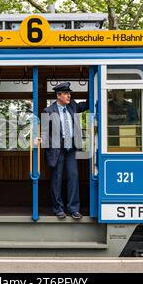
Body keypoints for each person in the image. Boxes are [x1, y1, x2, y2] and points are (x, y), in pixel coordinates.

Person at [38, 82, 89, 219]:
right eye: (66, 93)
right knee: (57, 179)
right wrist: (41, 141)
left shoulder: (73, 106)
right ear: (58, 95)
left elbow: (87, 104)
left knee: (74, 176)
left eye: (69, 93)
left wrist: (94, 83)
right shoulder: (48, 111)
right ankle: (58, 208)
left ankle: (73, 209)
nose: (69, 95)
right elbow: (44, 132)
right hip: (57, 150)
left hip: (71, 149)